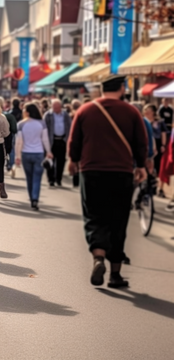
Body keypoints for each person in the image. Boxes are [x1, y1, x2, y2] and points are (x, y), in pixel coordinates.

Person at [68, 74, 148, 288]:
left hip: (91, 170)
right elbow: (141, 143)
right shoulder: (131, 112)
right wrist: (141, 166)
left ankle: (98, 257)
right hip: (121, 172)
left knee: (93, 215)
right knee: (118, 220)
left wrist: (73, 161)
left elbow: (75, 140)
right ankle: (115, 274)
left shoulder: (85, 110)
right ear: (122, 88)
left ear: (101, 89)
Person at [15, 103, 52, 210]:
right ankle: (35, 199)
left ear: (28, 112)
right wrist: (48, 151)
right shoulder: (42, 123)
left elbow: (19, 142)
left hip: (26, 153)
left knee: (29, 178)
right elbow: (45, 139)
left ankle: (32, 198)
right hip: (39, 153)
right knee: (37, 178)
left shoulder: (21, 124)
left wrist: (18, 156)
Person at [43, 99, 72, 187]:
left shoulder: (65, 115)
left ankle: (58, 179)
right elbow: (44, 128)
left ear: (60, 106)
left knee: (61, 161)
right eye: (54, 106)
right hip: (52, 141)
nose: (55, 108)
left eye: (57, 106)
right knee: (50, 160)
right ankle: (51, 179)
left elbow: (70, 126)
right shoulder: (48, 115)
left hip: (62, 140)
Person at [143, 104, 168, 195]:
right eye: (145, 110)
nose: (146, 112)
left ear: (153, 112)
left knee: (157, 165)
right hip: (146, 144)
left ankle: (153, 185)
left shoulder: (160, 122)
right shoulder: (142, 121)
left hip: (157, 144)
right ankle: (146, 185)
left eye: (148, 110)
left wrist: (163, 145)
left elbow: (163, 133)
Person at [7, 98, 23, 177]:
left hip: (12, 132)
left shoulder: (10, 112)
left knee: (12, 149)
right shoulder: (22, 112)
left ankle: (11, 165)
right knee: (19, 149)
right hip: (21, 132)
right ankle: (17, 162)